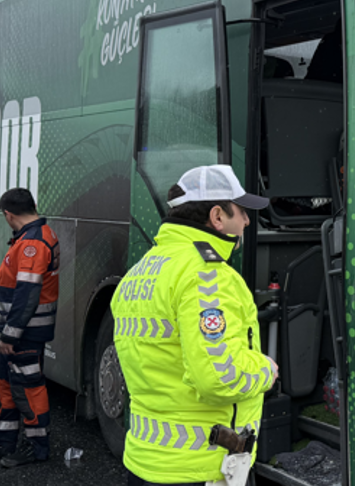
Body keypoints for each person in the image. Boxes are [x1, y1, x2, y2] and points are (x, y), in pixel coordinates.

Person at [113, 164, 278, 486]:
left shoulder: (140, 271)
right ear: (217, 217)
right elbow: (218, 378)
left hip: (145, 460)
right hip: (200, 466)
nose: (246, 221)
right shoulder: (209, 277)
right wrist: (265, 371)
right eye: (241, 212)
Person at [0, 188, 59, 468]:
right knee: (5, 385)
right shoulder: (32, 237)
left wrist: (11, 334)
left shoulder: (33, 242)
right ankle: (3, 443)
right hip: (20, 331)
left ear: (8, 215)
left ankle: (38, 449)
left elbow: (28, 293)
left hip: (25, 333)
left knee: (28, 390)